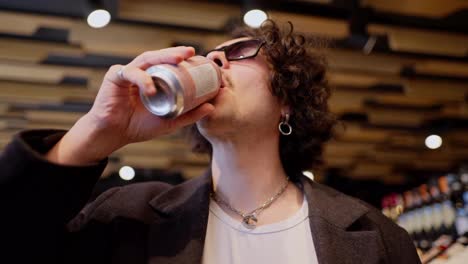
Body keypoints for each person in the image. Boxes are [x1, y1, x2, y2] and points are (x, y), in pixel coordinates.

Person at [0, 20, 420, 263]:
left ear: (288, 101)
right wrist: (93, 135)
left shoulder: (375, 237)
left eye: (241, 51)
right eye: (210, 54)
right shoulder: (127, 218)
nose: (215, 59)